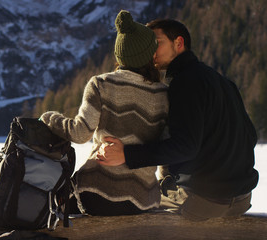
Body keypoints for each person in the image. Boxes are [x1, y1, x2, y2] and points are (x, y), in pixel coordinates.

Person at [97, 19, 259, 221]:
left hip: (203, 201)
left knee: (134, 201)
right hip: (242, 199)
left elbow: (185, 146)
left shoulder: (185, 82)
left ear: (178, 43)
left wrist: (127, 155)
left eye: (157, 43)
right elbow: (251, 136)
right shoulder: (224, 82)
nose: (151, 52)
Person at [40, 10, 169, 216]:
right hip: (144, 200)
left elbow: (80, 133)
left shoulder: (101, 84)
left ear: (120, 54)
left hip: (98, 194)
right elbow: (165, 148)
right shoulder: (164, 94)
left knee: (47, 207)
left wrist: (50, 119)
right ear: (148, 55)